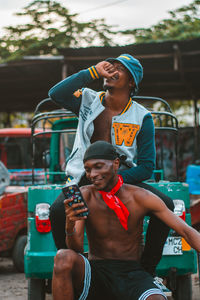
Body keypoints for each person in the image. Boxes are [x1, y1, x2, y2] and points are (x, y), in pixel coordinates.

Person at [48, 53, 174, 279]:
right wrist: (92, 72)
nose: (112, 70)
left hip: (122, 176)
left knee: (165, 205)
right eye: (110, 66)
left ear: (132, 81)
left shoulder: (142, 117)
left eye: (120, 68)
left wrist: (116, 182)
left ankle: (147, 271)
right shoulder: (87, 100)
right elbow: (56, 93)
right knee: (58, 210)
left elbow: (146, 167)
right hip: (83, 176)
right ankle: (70, 269)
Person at [52, 141, 200, 300]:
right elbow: (77, 248)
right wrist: (70, 224)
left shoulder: (141, 197)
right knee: (63, 256)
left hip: (132, 274)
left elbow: (185, 230)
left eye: (98, 166)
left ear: (116, 164)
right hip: (96, 272)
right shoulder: (84, 195)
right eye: (87, 169)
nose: (92, 174)